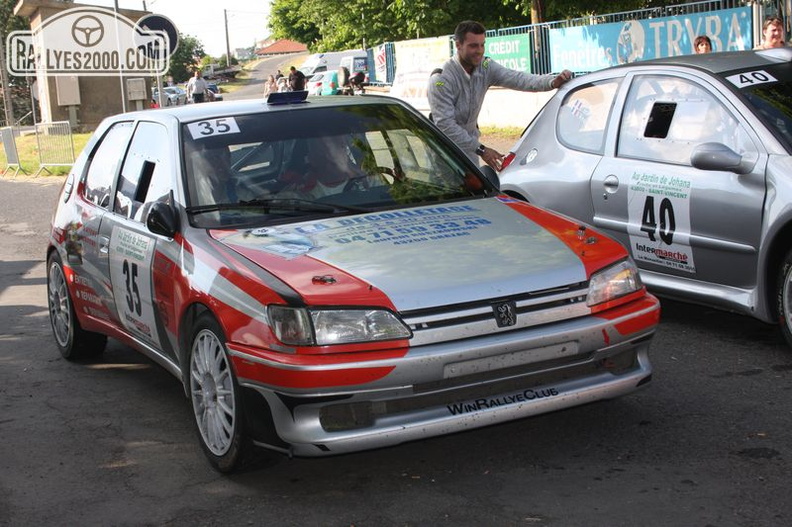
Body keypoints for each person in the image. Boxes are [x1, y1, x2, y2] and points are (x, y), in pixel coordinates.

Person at [428, 20, 572, 170]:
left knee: (474, 191)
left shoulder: (485, 66)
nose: (479, 51)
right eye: (473, 46)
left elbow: (517, 78)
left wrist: (552, 82)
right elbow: (445, 126)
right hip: (442, 153)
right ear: (458, 45)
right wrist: (481, 150)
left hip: (470, 152)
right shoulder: (441, 79)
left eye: (482, 45)